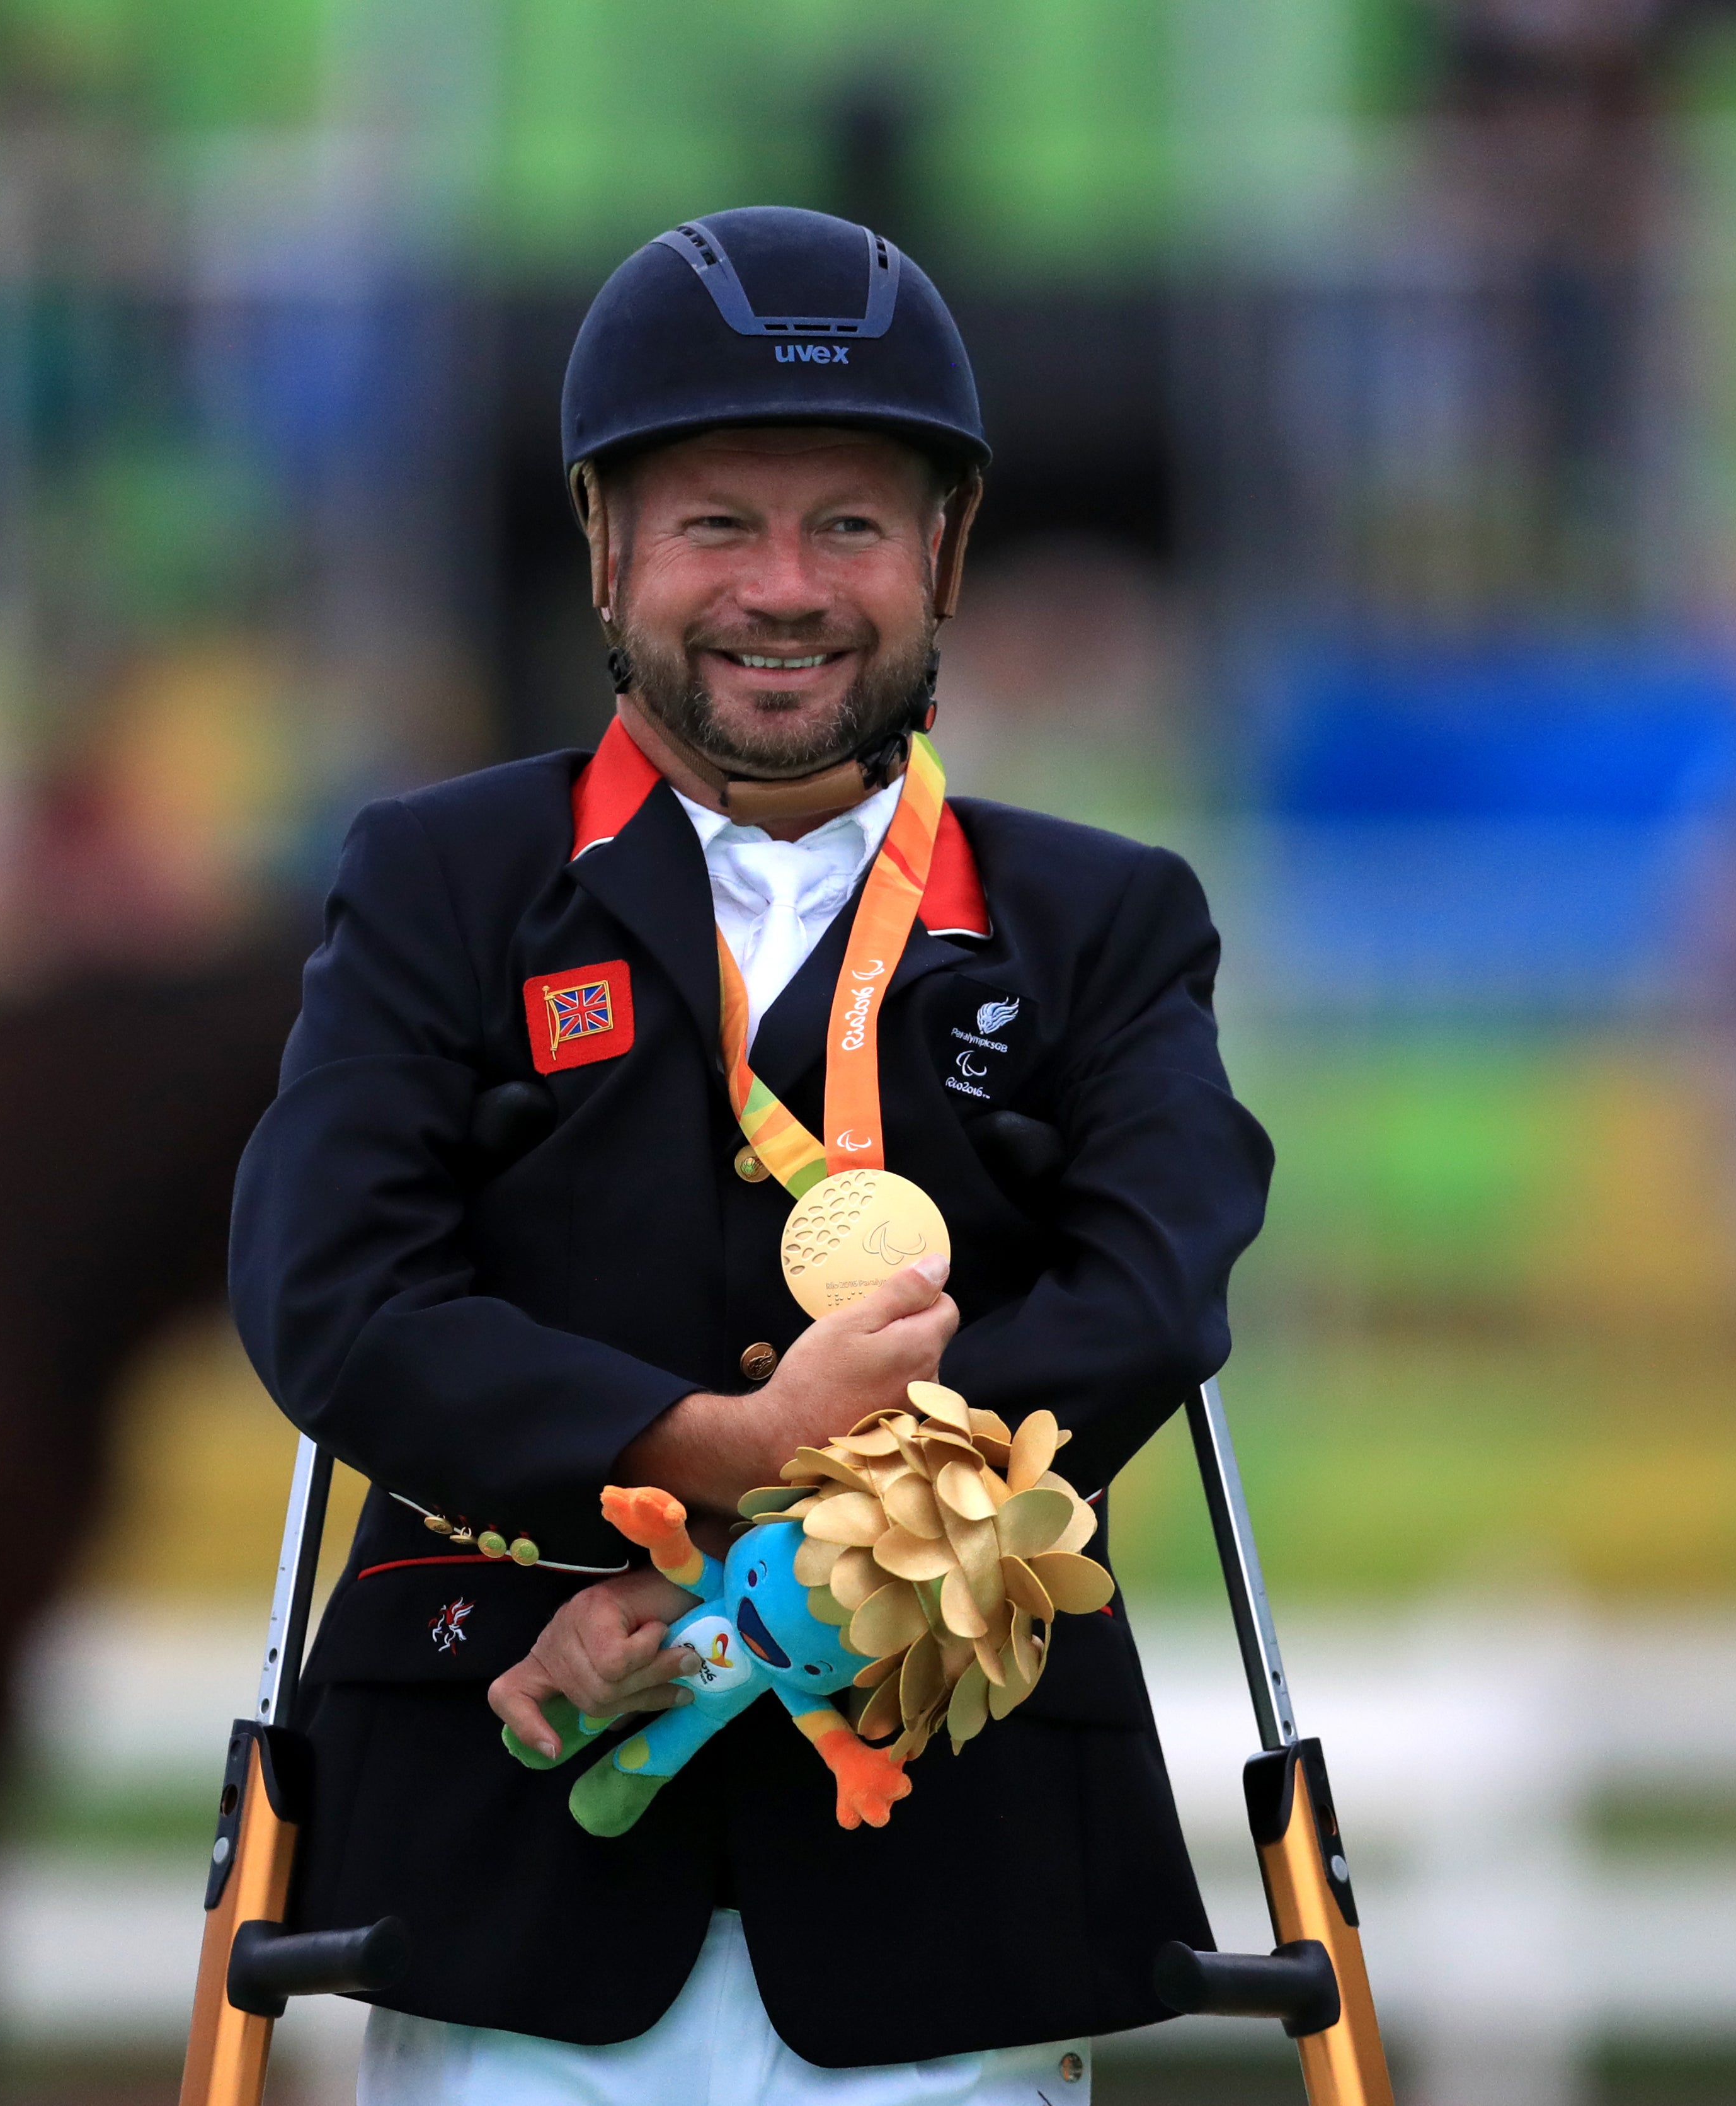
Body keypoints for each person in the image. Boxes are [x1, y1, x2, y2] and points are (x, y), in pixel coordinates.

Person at [229, 205, 1274, 2105]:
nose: (781, 588)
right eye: (717, 522)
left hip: (948, 1898)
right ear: (608, 544)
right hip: (509, 1881)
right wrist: (700, 1452)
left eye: (850, 526)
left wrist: (730, 1600)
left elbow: (1147, 1294)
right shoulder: (440, 883)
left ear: (945, 551)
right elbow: (330, 1291)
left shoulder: (1102, 922)